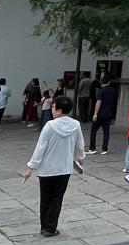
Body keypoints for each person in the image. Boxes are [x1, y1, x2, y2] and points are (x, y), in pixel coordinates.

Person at [23, 95, 85, 237]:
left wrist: (31, 167)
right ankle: (50, 228)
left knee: (45, 198)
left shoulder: (49, 126)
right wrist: (80, 158)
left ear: (59, 110)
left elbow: (40, 148)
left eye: (53, 107)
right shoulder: (76, 125)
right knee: (57, 198)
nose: (52, 109)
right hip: (64, 169)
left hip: (47, 169)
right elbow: (80, 145)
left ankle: (44, 226)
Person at [87, 75, 117, 155]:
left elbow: (98, 102)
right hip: (108, 113)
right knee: (106, 132)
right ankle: (104, 149)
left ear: (101, 82)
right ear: (109, 82)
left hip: (100, 113)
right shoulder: (112, 90)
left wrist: (95, 114)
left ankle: (92, 148)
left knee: (94, 130)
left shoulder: (101, 91)